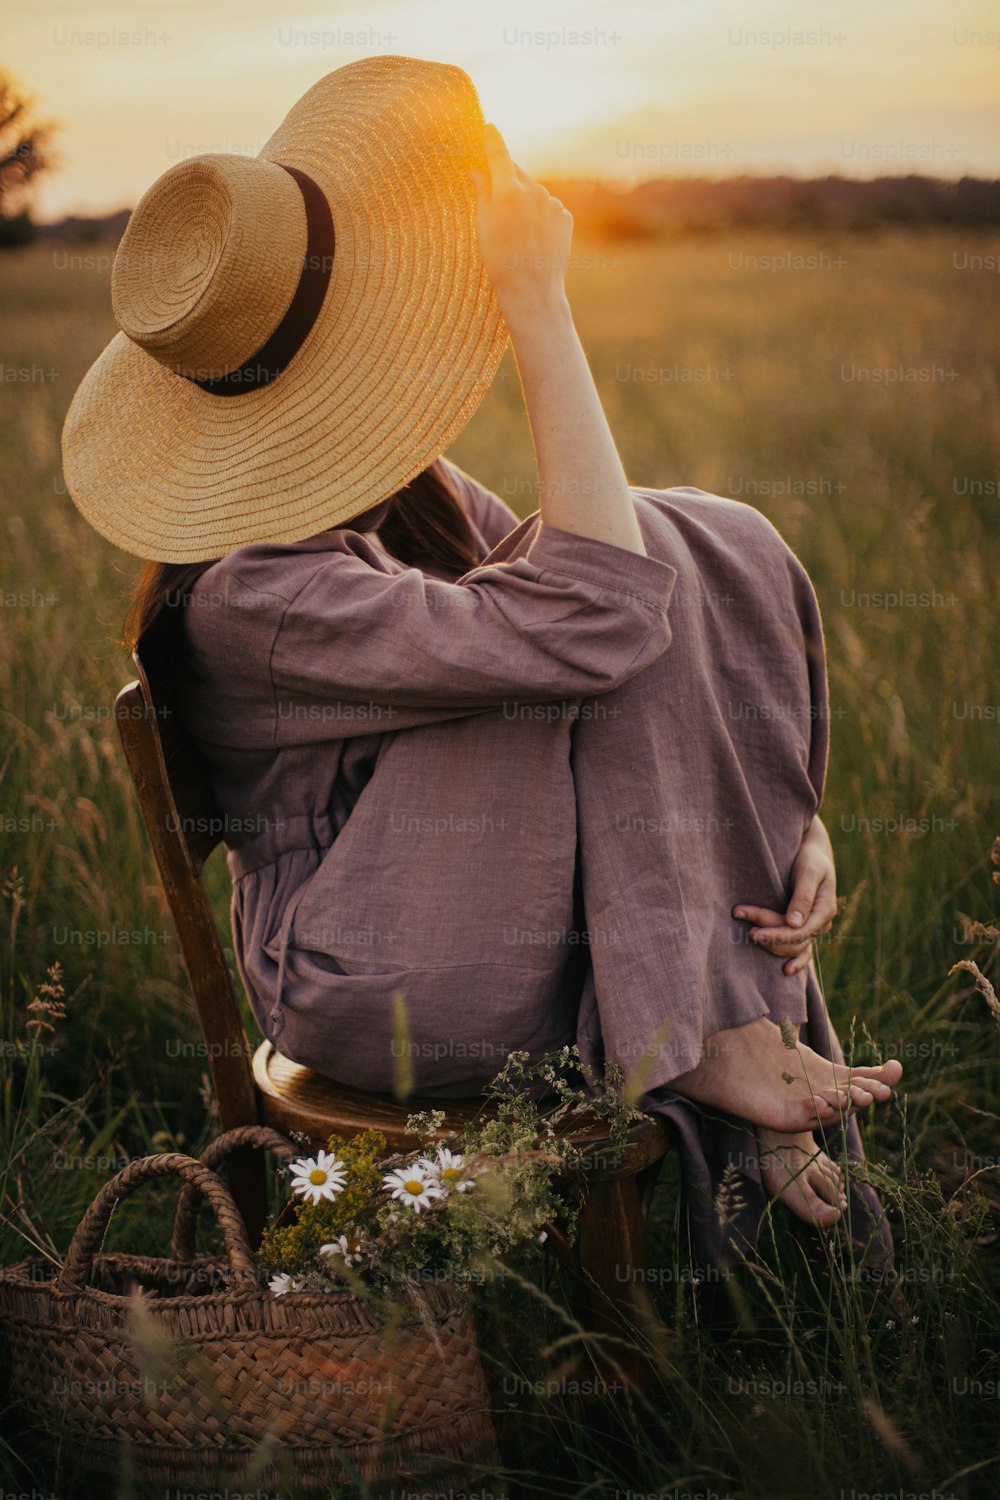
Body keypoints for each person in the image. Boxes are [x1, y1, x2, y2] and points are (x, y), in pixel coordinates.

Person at [60, 57, 900, 1269]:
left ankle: (709, 1028)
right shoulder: (254, 593)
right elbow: (594, 611)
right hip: (380, 979)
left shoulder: (388, 488)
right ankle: (713, 1033)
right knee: (631, 563)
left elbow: (607, 616)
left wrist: (784, 825)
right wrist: (537, 306)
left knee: (691, 532)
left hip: (497, 919)